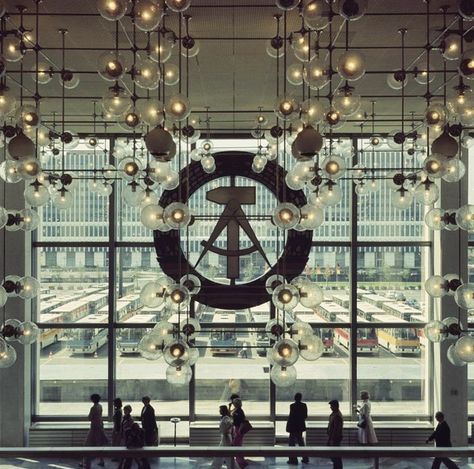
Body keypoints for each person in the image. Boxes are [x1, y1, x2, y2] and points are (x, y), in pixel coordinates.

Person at [83, 394, 108, 469]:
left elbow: (89, 418)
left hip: (94, 427)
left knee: (88, 444)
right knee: (99, 444)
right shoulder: (100, 406)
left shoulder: (93, 408)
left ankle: (86, 462)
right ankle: (101, 460)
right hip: (100, 426)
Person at [286, 393, 309, 465]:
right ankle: (305, 458)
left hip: (293, 427)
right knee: (301, 442)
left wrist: (288, 426)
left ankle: (293, 459)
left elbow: (291, 417)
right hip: (300, 427)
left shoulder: (292, 406)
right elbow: (305, 416)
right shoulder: (304, 405)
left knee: (291, 443)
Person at [211, 405, 235, 469]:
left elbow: (231, 424)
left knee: (227, 454)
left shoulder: (226, 418)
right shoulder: (223, 417)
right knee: (220, 453)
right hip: (224, 437)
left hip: (226, 437)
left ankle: (232, 467)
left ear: (223, 411)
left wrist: (226, 431)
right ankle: (215, 466)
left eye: (220, 410)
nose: (219, 411)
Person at [231, 397, 248, 469]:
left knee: (236, 445)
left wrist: (239, 431)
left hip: (238, 429)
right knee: (237, 444)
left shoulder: (240, 411)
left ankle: (240, 461)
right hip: (237, 428)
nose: (233, 404)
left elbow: (242, 422)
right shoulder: (237, 410)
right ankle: (240, 460)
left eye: (234, 403)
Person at [327, 399, 343, 469]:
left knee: (335, 455)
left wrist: (330, 439)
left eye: (331, 406)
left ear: (335, 406)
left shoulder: (337, 416)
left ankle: (338, 467)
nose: (330, 407)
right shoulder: (335, 414)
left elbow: (336, 429)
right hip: (334, 437)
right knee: (335, 455)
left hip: (335, 438)